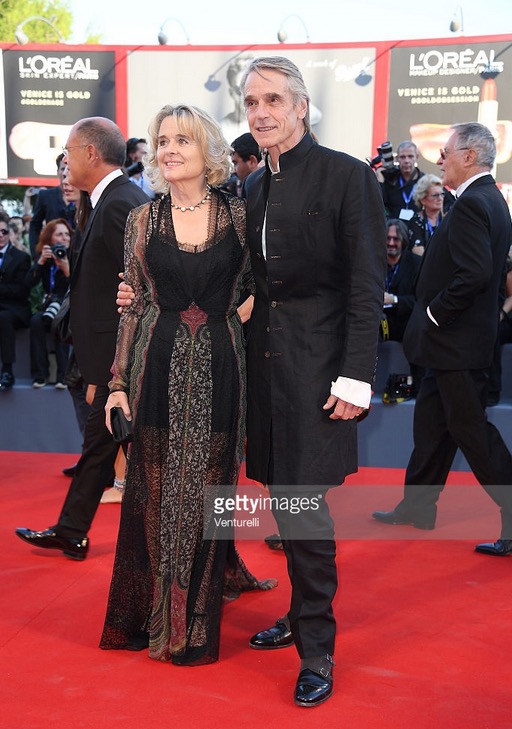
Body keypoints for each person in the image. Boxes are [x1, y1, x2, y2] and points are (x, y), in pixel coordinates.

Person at [99, 104, 276, 666]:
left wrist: (242, 311)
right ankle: (155, 616)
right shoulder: (141, 220)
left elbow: (264, 284)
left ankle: (193, 624)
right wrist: (117, 383)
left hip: (222, 368)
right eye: (162, 141)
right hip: (154, 365)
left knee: (208, 492)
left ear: (208, 150)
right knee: (153, 494)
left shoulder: (240, 215)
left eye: (183, 140)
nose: (169, 150)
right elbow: (133, 304)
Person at [240, 57, 386, 707]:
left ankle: (317, 648)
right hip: (266, 369)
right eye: (252, 102)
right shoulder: (254, 187)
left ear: (301, 106)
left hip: (320, 371)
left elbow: (366, 285)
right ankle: (301, 614)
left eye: (273, 99)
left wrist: (356, 375)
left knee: (303, 506)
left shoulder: (348, 176)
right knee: (285, 501)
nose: (261, 112)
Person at [372, 122, 512, 558]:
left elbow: (475, 274)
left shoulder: (473, 203)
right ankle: (418, 507)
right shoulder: (489, 199)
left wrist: (433, 314)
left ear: (469, 156)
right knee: (431, 425)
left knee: (472, 433)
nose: (439, 159)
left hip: (456, 344)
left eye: (446, 152)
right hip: (453, 345)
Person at [15, 117, 150, 560]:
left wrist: (119, 362)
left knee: (144, 453)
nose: (64, 161)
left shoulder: (121, 203)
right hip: (111, 355)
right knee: (100, 445)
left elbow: (145, 282)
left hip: (125, 358)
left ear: (91, 153)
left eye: (68, 152)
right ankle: (72, 530)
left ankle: (200, 549)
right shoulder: (105, 200)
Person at [25, 218, 72, 388]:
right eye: (59, 234)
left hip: (69, 306)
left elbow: (79, 286)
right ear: (49, 239)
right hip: (50, 305)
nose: (64, 238)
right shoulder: (46, 257)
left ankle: (63, 376)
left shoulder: (75, 255)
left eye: (67, 234)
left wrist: (66, 268)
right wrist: (40, 263)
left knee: (59, 322)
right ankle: (40, 375)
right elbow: (28, 283)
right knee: (36, 321)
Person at [0, 211, 32, 390]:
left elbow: (21, 290)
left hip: (15, 310)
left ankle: (7, 371)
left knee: (3, 318)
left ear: (9, 233)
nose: (0, 235)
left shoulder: (22, 258)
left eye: (4, 231)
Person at [28, 154, 75, 258]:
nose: (65, 172)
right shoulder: (45, 196)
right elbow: (35, 224)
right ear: (58, 171)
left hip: (76, 252)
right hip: (52, 252)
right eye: (62, 169)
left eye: (69, 169)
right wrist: (36, 253)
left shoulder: (82, 196)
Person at [407, 173, 448, 256]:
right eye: (435, 195)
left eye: (442, 194)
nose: (440, 198)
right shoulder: (416, 221)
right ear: (423, 200)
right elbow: (418, 252)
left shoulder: (447, 219)